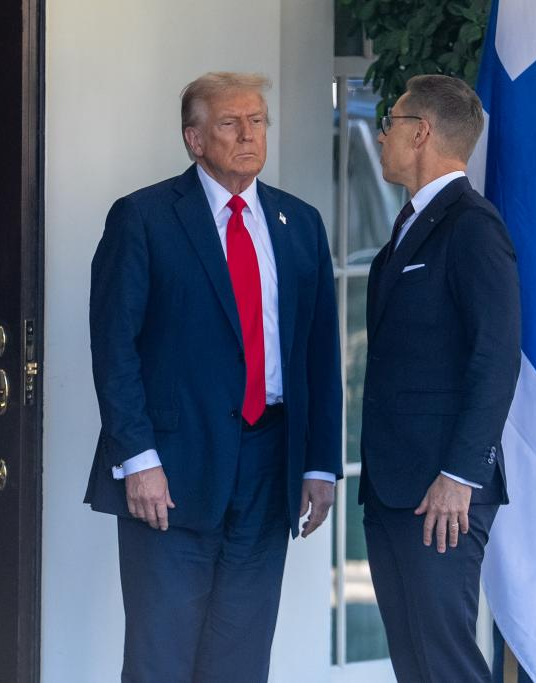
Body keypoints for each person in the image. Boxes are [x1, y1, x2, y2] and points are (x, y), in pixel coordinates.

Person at [85, 71, 341, 682]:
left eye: (257, 121)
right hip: (170, 472)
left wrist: (319, 464)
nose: (250, 134)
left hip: (269, 466)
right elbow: (114, 348)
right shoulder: (143, 217)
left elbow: (319, 352)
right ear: (194, 139)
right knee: (161, 659)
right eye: (231, 123)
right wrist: (138, 459)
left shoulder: (299, 222)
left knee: (241, 659)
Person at [359, 74, 521, 682]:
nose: (381, 137)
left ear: (421, 132)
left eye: (390, 123)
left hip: (441, 492)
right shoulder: (411, 223)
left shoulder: (473, 226)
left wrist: (460, 475)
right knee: (416, 664)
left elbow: (496, 357)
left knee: (445, 662)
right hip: (394, 485)